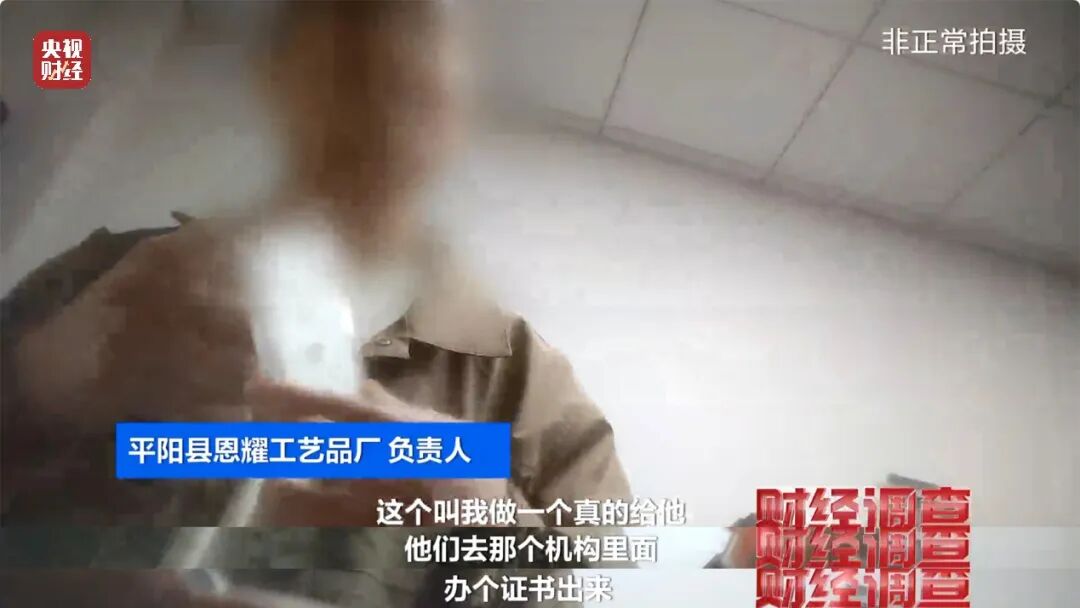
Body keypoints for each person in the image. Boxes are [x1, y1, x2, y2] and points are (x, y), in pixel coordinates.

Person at [0, 2, 631, 606]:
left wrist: (483, 521)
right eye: (346, 78)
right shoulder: (105, 276)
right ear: (279, 82)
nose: (370, 123)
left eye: (408, 90)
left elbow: (598, 585)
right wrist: (34, 379)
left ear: (459, 109)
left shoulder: (528, 389)